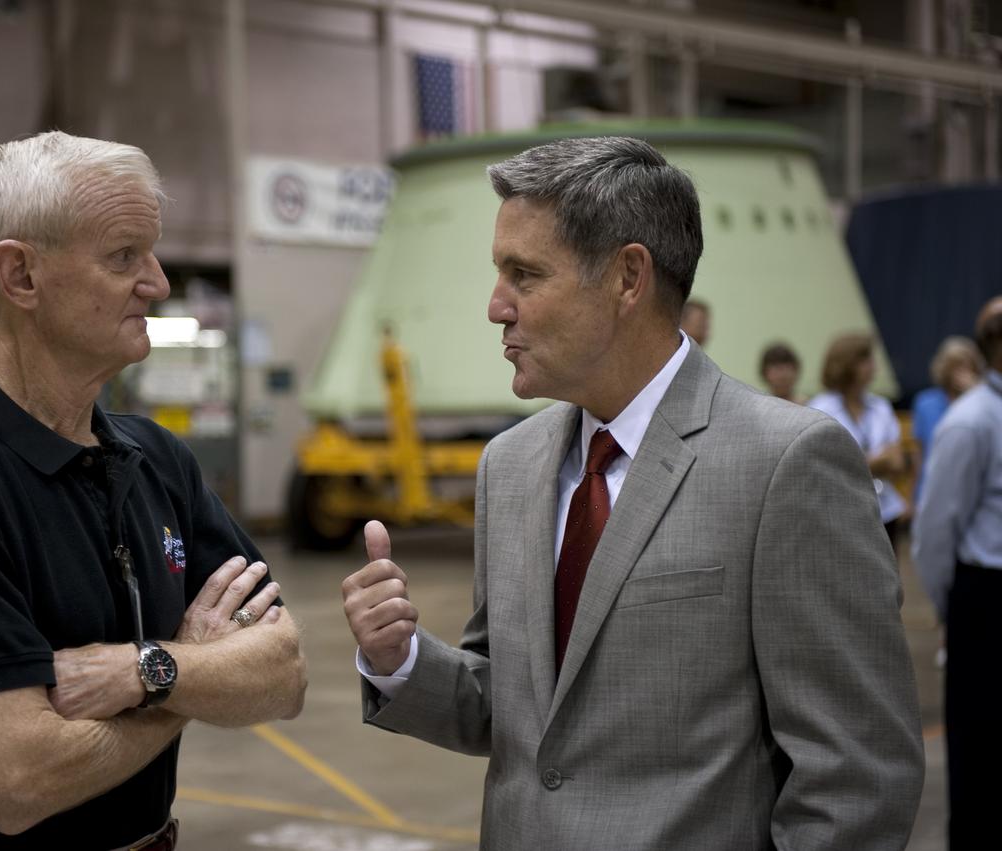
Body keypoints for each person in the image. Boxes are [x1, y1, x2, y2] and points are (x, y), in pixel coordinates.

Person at [341, 136, 923, 849]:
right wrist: (401, 660)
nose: (497, 307)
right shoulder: (511, 466)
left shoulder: (786, 464)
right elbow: (521, 711)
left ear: (627, 277)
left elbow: (857, 777)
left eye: (524, 275)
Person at [0, 132, 307, 850]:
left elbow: (282, 673)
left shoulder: (158, 459)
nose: (158, 283)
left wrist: (143, 669)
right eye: (124, 255)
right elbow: (17, 779)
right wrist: (189, 674)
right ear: (22, 278)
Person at [912, 296, 1002, 850]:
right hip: (986, 597)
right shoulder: (968, 423)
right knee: (981, 747)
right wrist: (954, 609)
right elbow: (936, 531)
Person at [807, 333, 907, 546]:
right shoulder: (820, 409)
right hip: (841, 514)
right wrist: (879, 461)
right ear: (845, 364)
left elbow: (897, 462)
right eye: (866, 360)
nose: (873, 366)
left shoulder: (881, 407)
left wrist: (856, 462)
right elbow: (824, 468)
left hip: (885, 511)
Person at [911, 335, 984, 501]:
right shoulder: (925, 402)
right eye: (955, 366)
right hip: (931, 488)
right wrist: (913, 497)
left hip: (969, 490)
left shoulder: (981, 401)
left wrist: (974, 390)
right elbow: (920, 453)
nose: (961, 373)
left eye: (967, 366)